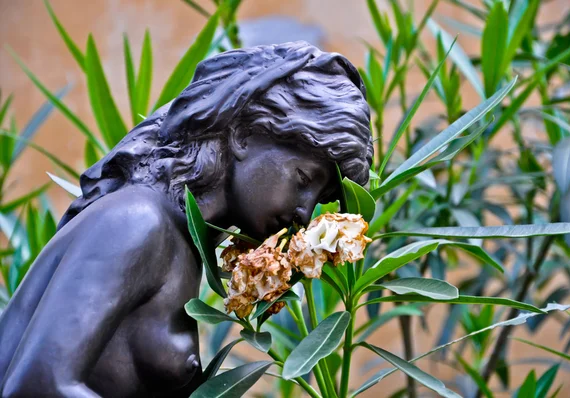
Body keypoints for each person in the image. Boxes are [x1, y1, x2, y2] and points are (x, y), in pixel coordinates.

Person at [0, 41, 373, 397]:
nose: (304, 214)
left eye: (319, 200)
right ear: (243, 135)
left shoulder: (184, 245)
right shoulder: (137, 221)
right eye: (303, 179)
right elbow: (37, 386)